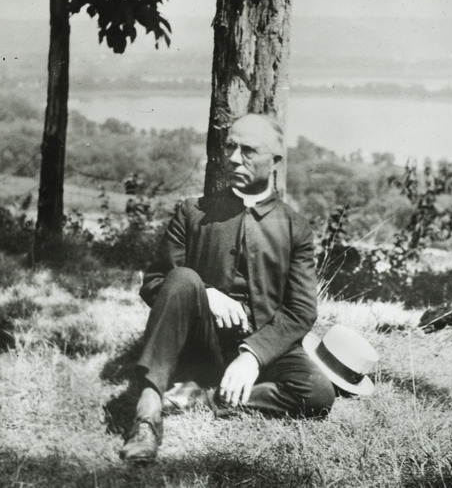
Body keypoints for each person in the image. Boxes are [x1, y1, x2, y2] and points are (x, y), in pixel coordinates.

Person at [118, 114, 335, 462]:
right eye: (230, 147)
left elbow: (301, 310)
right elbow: (155, 283)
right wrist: (204, 292)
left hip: (268, 348)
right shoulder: (193, 213)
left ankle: (203, 397)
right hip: (201, 343)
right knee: (182, 277)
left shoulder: (294, 227)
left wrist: (254, 355)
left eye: (248, 150)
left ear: (275, 161)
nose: (234, 158)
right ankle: (148, 413)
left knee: (317, 393)